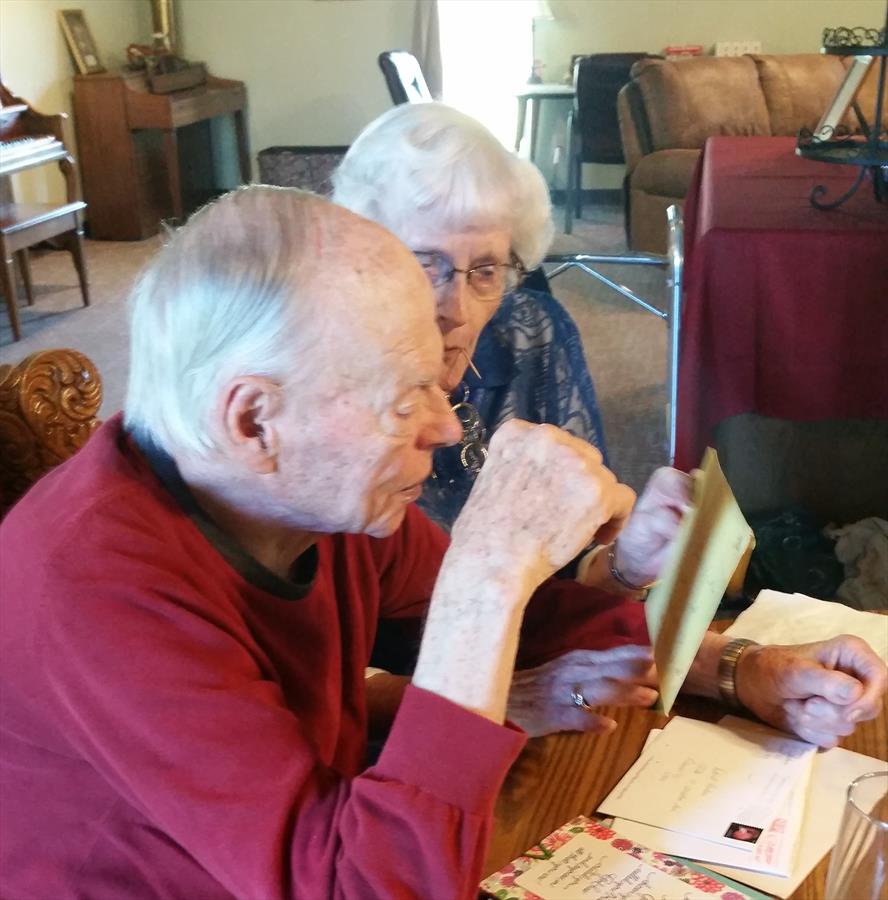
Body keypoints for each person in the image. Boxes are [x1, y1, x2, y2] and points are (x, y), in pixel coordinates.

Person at [0, 187, 884, 898]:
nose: (443, 425)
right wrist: (487, 566)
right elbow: (368, 883)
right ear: (253, 418)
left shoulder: (313, 495)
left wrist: (735, 669)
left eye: (440, 382)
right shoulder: (93, 579)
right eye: (403, 398)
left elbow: (530, 628)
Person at [331, 101, 684, 598]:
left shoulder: (531, 336)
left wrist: (628, 562)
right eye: (425, 263)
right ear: (361, 262)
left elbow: (569, 578)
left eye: (485, 271)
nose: (457, 309)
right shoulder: (326, 395)